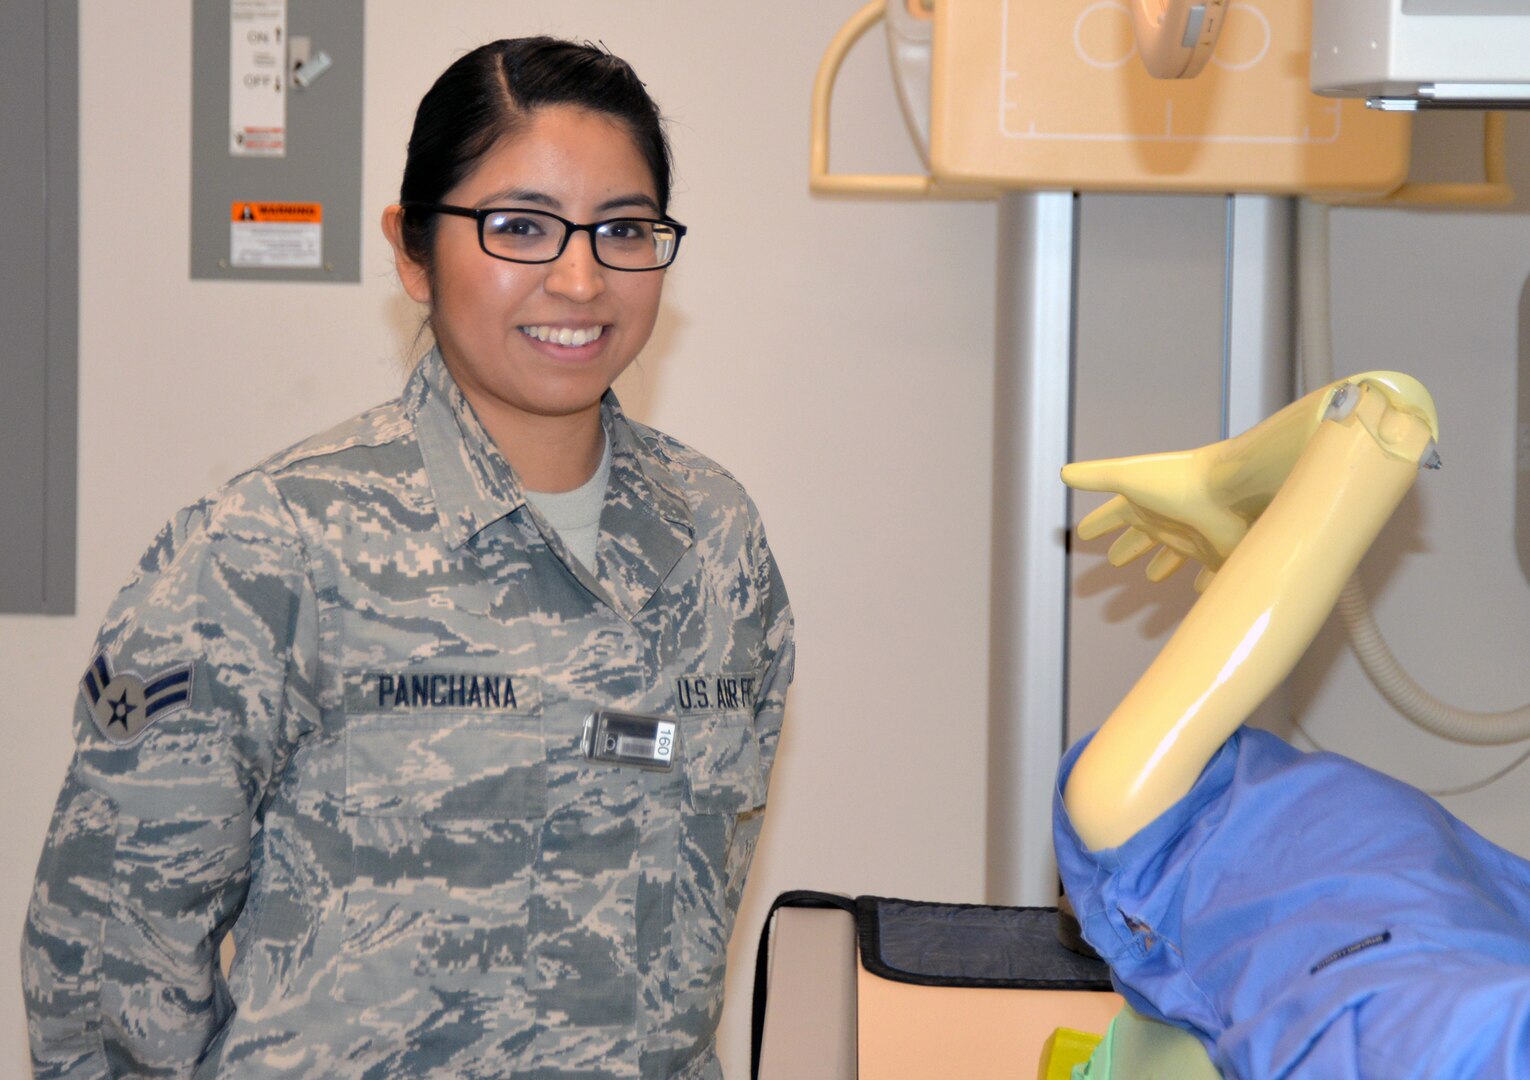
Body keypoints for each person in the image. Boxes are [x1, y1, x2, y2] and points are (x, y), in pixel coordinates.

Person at [23, 37, 793, 1080]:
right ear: (412, 248)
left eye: (622, 229)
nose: (578, 278)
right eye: (519, 226)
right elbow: (108, 969)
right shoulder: (267, 549)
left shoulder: (715, 541)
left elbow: (695, 928)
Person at [1054, 374, 1530, 1079]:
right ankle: (1349, 441)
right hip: (1386, 944)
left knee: (1118, 814)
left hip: (1420, 912)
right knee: (1115, 813)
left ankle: (1346, 446)